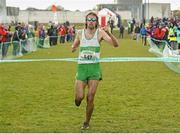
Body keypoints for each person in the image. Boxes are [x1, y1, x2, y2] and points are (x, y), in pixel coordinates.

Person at [71, 12, 119, 130]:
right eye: (89, 19)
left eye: (93, 19)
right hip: (82, 68)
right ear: (86, 21)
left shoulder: (100, 33)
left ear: (96, 22)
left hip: (94, 68)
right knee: (79, 98)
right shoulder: (80, 33)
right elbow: (75, 45)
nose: (91, 21)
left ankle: (86, 122)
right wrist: (73, 48)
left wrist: (108, 32)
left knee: (91, 97)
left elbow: (115, 45)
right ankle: (77, 100)